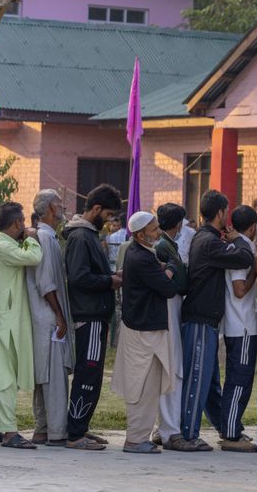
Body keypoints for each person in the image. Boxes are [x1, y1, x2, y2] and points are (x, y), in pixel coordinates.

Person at [180, 190, 254, 451]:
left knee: (211, 384)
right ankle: (188, 434)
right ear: (221, 213)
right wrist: (239, 239)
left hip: (206, 320)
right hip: (200, 319)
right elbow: (245, 257)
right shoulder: (210, 242)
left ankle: (224, 427)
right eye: (227, 212)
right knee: (197, 379)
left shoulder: (205, 238)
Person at [111, 211, 180, 454]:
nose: (159, 233)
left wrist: (162, 269)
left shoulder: (137, 252)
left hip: (143, 329)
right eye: (154, 230)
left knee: (147, 385)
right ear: (141, 235)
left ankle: (140, 436)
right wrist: (169, 271)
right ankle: (135, 439)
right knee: (142, 386)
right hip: (144, 333)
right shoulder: (141, 258)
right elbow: (168, 289)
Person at [0, 202, 42, 449]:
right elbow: (34, 257)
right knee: (2, 378)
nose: (25, 226)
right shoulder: (3, 246)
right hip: (1, 322)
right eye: (23, 222)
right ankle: (9, 432)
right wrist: (33, 238)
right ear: (17, 223)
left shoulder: (0, 244)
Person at [64, 183, 122, 450]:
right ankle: (75, 433)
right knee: (88, 374)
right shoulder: (80, 237)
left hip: (97, 314)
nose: (110, 222)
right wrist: (109, 281)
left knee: (94, 375)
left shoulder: (89, 235)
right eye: (108, 215)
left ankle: (81, 427)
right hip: (89, 315)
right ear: (96, 209)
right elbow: (78, 278)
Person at [26, 190, 74, 448]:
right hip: (48, 317)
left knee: (46, 376)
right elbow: (46, 284)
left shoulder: (47, 236)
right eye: (58, 204)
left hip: (46, 316)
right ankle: (55, 431)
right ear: (47, 209)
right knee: (52, 378)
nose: (62, 206)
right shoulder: (43, 237)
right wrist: (59, 316)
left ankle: (43, 429)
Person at [151, 203, 194, 451]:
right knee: (172, 370)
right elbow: (180, 282)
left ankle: (164, 427)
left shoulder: (167, 246)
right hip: (168, 308)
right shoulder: (164, 248)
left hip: (171, 309)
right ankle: (170, 431)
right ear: (178, 225)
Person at [220, 205, 257, 453]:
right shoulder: (242, 249)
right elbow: (239, 289)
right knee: (239, 380)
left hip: (239, 323)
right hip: (243, 323)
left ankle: (231, 426)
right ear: (253, 226)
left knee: (238, 379)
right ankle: (231, 432)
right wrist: (256, 271)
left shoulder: (240, 245)